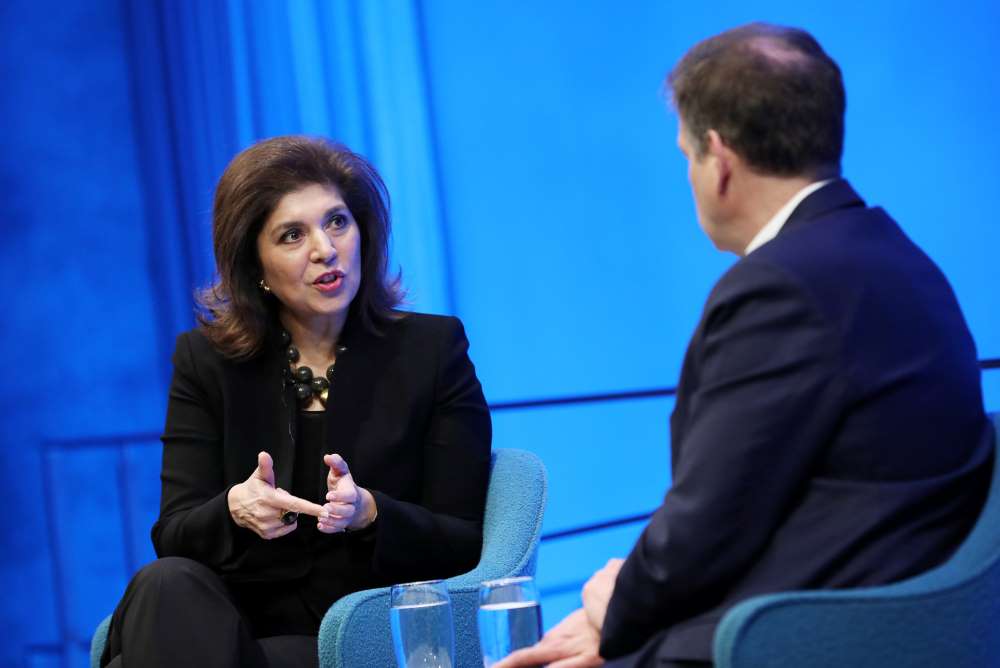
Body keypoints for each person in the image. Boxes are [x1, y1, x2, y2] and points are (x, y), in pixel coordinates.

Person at [498, 22, 993, 668]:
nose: (690, 177)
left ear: (719, 158)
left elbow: (706, 525)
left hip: (802, 636)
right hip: (884, 618)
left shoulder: (782, 288)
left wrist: (613, 613)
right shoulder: (896, 259)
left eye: (685, 157)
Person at [100, 136, 492, 668]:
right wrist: (235, 509)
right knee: (164, 583)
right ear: (255, 266)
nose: (324, 249)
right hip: (232, 619)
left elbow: (463, 540)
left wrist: (371, 513)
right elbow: (174, 533)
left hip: (357, 626)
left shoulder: (432, 351)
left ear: (363, 232)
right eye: (291, 235)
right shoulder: (206, 362)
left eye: (337, 222)